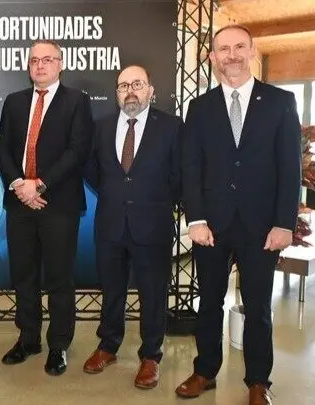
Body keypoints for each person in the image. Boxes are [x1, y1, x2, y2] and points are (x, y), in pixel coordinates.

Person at [177, 24, 300, 405]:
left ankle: (258, 381)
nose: (231, 55)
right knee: (209, 302)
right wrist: (195, 219)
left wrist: (284, 223)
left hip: (262, 227)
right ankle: (204, 371)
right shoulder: (199, 108)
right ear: (212, 58)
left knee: (258, 307)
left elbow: (289, 167)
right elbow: (190, 167)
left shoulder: (280, 102)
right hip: (210, 226)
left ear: (252, 51)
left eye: (238, 47)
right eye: (222, 49)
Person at [0, 39, 94, 376]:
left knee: (59, 279)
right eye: (35, 60)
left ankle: (59, 345)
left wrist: (39, 183)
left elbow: (77, 150)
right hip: (20, 203)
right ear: (28, 66)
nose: (40, 65)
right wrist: (19, 184)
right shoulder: (14, 101)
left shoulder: (77, 102)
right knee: (23, 276)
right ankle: (29, 339)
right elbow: (2, 147)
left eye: (47, 59)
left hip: (58, 203)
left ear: (60, 64)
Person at [82, 65, 183, 389]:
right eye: (123, 85)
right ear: (116, 93)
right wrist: (118, 193)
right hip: (110, 223)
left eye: (137, 84)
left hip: (152, 224)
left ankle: (151, 355)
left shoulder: (171, 127)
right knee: (112, 290)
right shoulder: (101, 127)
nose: (130, 90)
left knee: (153, 293)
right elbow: (92, 171)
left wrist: (151, 198)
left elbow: (179, 175)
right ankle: (108, 345)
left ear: (150, 90)